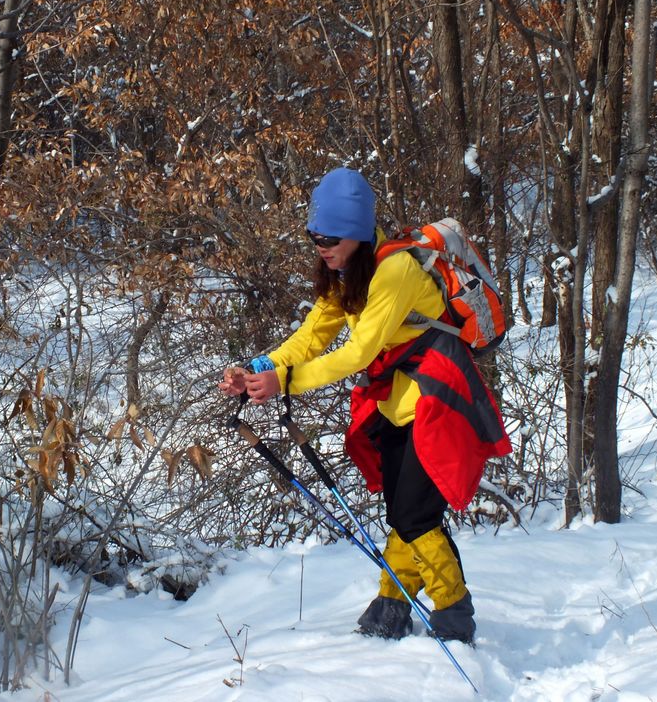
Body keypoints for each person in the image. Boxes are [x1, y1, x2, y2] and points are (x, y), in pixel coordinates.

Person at [218, 167, 510, 645]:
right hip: (398, 401)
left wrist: (284, 382)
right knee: (402, 511)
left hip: (437, 399)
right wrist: (260, 369)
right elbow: (314, 334)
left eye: (330, 236)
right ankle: (392, 606)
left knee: (416, 516)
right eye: (314, 236)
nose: (321, 245)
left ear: (355, 232)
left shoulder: (393, 271)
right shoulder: (346, 272)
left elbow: (359, 353)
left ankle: (455, 613)